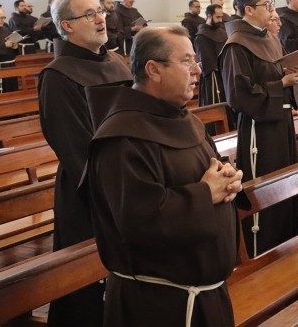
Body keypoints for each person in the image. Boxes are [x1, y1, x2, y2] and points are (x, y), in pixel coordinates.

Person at [82, 25, 243, 327]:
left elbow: (210, 175)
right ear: (153, 69)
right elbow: (138, 221)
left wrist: (229, 180)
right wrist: (207, 193)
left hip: (207, 297)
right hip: (158, 305)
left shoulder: (185, 119)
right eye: (186, 61)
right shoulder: (122, 138)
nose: (198, 69)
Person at [38, 0, 133, 326]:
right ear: (67, 25)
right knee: (86, 287)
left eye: (100, 11)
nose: (100, 18)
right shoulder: (58, 75)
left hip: (129, 183)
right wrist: (118, 183)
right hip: (87, 192)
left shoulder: (115, 62)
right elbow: (75, 146)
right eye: (89, 14)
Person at [220, 0, 298, 257]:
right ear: (248, 9)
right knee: (265, 188)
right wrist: (281, 82)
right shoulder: (237, 45)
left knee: (286, 182)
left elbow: (272, 76)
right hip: (259, 129)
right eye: (266, 5)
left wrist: (287, 90)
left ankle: (286, 246)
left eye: (271, 4)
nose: (272, 10)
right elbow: (239, 95)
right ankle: (263, 251)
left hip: (280, 121)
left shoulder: (269, 37)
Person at [195, 4, 228, 106]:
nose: (220, 20)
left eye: (221, 17)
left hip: (224, 72)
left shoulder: (222, 31)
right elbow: (206, 62)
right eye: (217, 17)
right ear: (209, 16)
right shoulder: (202, 36)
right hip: (212, 77)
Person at [0, 6, 19, 92]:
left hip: (10, 64)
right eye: (0, 18)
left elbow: (12, 43)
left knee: (12, 88)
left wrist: (15, 46)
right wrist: (4, 45)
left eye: (3, 18)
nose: (2, 20)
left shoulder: (6, 29)